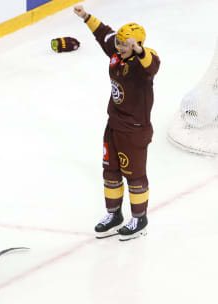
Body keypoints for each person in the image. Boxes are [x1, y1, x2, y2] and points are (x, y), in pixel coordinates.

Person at [74, 5, 160, 240]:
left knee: (135, 176)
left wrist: (139, 50)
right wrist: (85, 17)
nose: (119, 47)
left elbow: (153, 64)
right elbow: (104, 34)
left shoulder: (143, 65)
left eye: (125, 45)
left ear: (136, 46)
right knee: (110, 171)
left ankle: (139, 219)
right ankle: (114, 215)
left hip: (134, 131)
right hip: (113, 125)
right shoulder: (116, 53)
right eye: (120, 43)